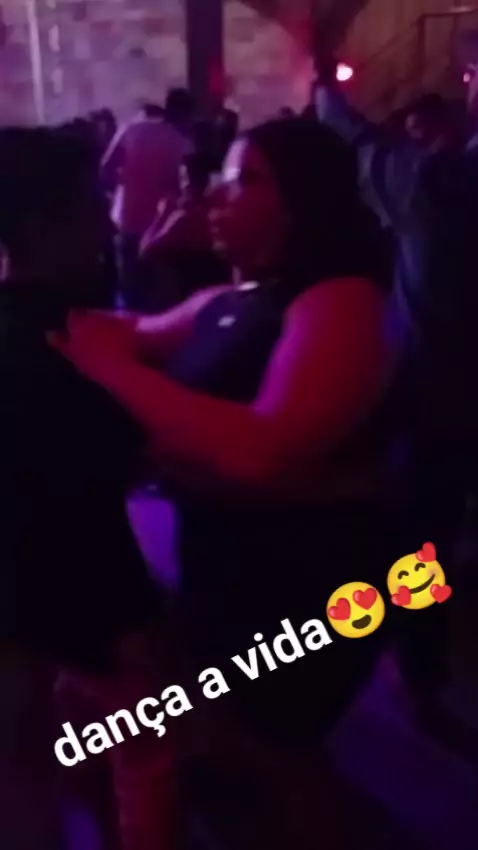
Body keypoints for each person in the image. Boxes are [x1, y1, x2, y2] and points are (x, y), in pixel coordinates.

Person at [51, 118, 397, 848]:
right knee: (238, 734)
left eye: (245, 182)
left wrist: (112, 371)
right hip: (232, 569)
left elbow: (263, 451)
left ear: (302, 200)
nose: (213, 196)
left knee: (284, 752)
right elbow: (123, 334)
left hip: (316, 581)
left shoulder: (339, 301)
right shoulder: (227, 299)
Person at [0, 127, 173, 850]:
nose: (107, 219)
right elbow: (92, 488)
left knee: (29, 767)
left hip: (24, 598)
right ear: (44, 226)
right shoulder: (63, 345)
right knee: (141, 753)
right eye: (92, 202)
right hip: (79, 598)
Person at [315, 58, 478, 711]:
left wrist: (325, 86)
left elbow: (362, 146)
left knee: (424, 539)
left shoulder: (443, 185)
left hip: (441, 402)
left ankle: (419, 666)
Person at [102, 89, 194, 307]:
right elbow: (189, 186)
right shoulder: (183, 142)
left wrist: (124, 190)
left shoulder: (132, 129)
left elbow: (106, 169)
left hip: (126, 220)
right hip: (161, 228)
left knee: (129, 294)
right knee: (159, 300)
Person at [139, 151, 230, 311]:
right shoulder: (219, 211)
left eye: (184, 178)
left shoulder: (182, 219)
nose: (184, 184)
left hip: (182, 302)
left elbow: (146, 251)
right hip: (214, 300)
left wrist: (162, 215)